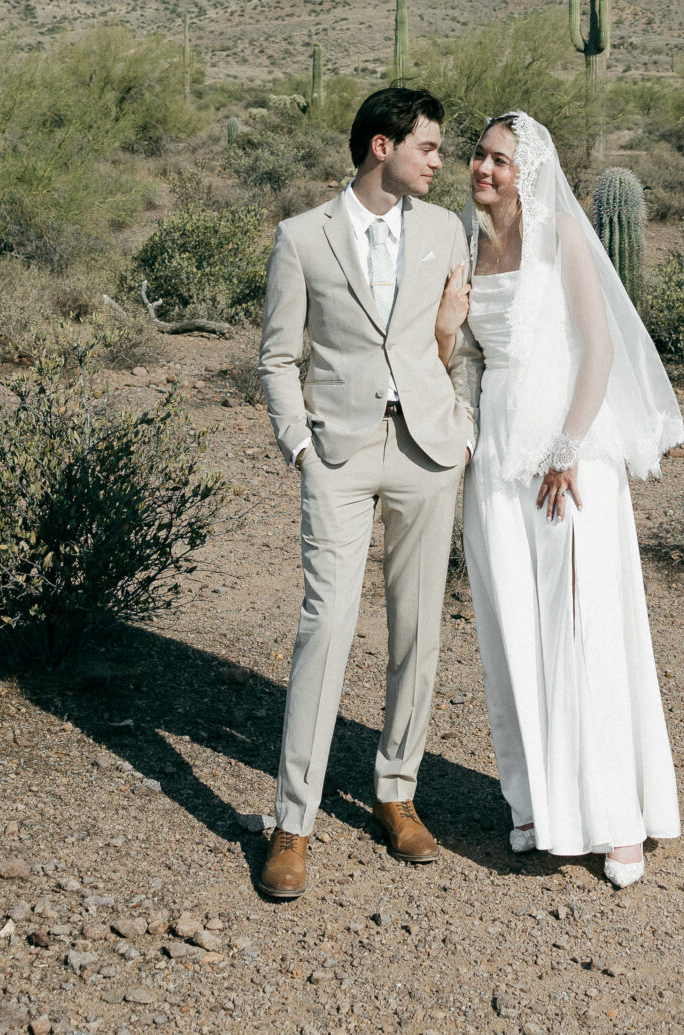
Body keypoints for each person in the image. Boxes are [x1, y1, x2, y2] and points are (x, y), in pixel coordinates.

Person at [438, 110, 683, 889]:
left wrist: (572, 447)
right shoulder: (468, 244)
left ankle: (616, 819)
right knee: (513, 630)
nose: (483, 168)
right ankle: (539, 805)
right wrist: (455, 376)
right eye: (478, 154)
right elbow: (467, 358)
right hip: (499, 458)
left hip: (568, 456)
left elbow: (601, 345)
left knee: (583, 628)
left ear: (529, 169)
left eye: (500, 159)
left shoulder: (562, 237)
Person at [253, 86, 473, 901]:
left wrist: (467, 426)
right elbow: (277, 356)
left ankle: (396, 791)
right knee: (326, 627)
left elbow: (469, 341)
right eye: (429, 146)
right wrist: (300, 444)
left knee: (417, 626)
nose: (440, 160)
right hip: (338, 453)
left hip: (426, 448)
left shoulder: (447, 230)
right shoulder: (302, 237)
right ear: (382, 146)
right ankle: (293, 822)